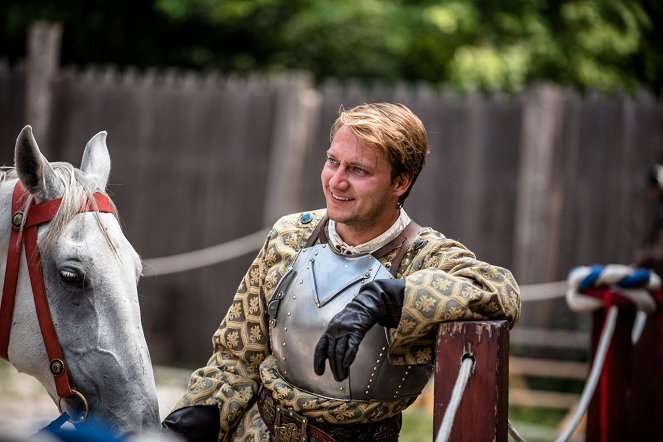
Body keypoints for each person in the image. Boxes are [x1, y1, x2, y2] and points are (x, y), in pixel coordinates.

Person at [162, 102, 521, 441]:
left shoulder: (423, 255)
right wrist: (187, 424)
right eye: (332, 162)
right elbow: (235, 359)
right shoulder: (290, 237)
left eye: (358, 170)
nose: (336, 181)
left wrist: (386, 298)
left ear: (401, 182)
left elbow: (499, 291)